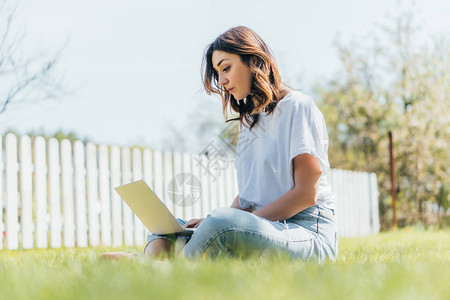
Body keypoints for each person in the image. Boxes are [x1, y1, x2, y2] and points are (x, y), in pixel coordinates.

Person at [102, 26, 338, 262]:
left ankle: (152, 268)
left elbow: (306, 195)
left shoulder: (298, 107)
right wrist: (211, 224)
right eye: (218, 72)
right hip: (268, 228)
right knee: (168, 228)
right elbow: (249, 198)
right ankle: (154, 264)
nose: (222, 80)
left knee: (222, 223)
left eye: (226, 68)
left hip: (307, 231)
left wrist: (234, 224)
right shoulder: (250, 121)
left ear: (253, 60)